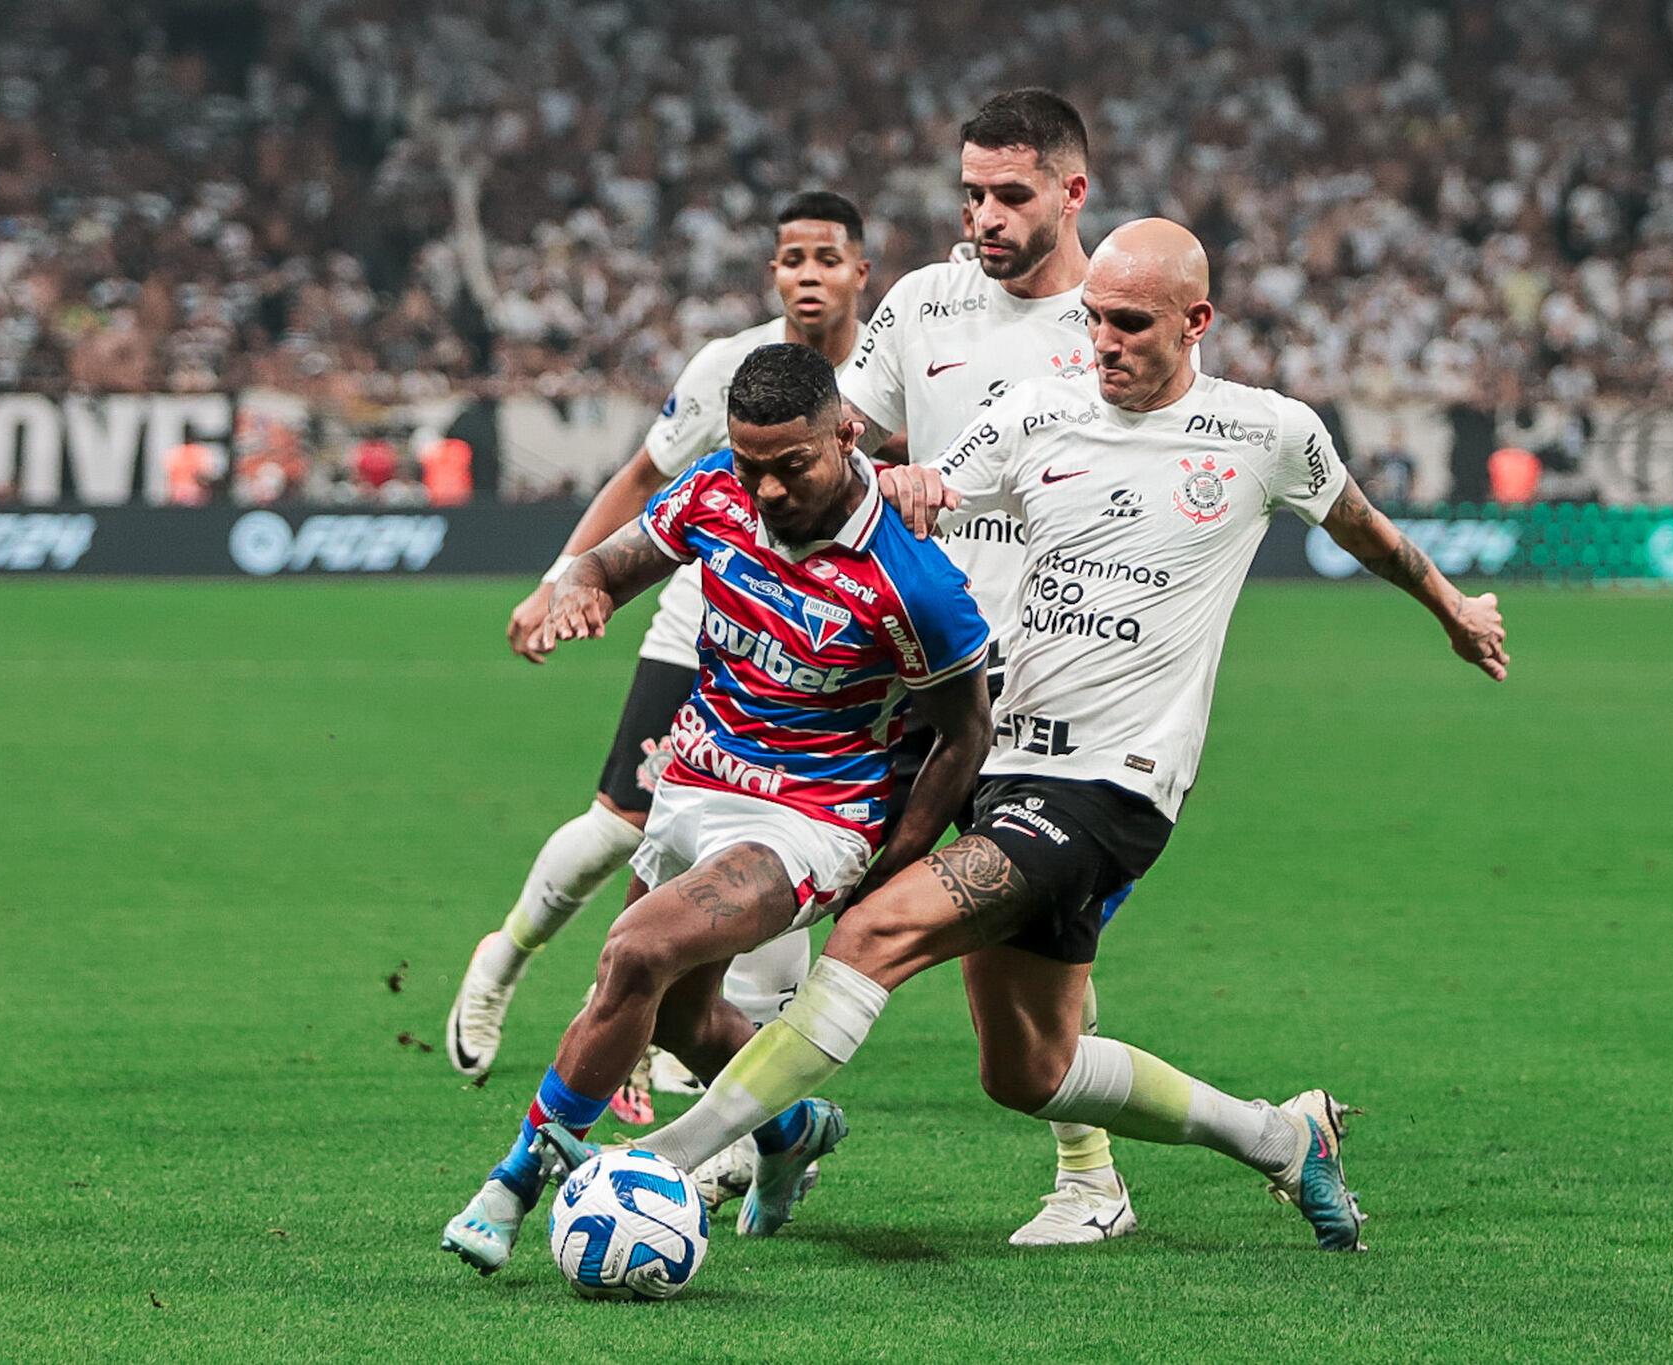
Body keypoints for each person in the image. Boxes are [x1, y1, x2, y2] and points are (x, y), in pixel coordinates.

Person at [608, 218, 1511, 1254]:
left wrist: (1451, 607)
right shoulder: (1038, 413)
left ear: (1197, 321)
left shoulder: (1265, 432)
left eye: (1131, 324)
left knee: (871, 935)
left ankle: (664, 1158)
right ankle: (1281, 1137)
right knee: (1027, 1069)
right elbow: (932, 485)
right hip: (1006, 762)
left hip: (1114, 783)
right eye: (1094, 320)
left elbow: (1362, 527)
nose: (1105, 342)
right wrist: (904, 484)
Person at [441, 342, 993, 1273]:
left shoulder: (914, 584)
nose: (767, 489)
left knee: (635, 952)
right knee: (675, 1018)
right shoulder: (713, 494)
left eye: (792, 465)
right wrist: (582, 592)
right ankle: (791, 1129)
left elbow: (965, 733)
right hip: (694, 780)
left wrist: (891, 863)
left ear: (847, 434)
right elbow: (609, 564)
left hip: (808, 819)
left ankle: (513, 1184)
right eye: (750, 464)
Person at [445, 193, 874, 1112]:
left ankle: (692, 1034)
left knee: (775, 838)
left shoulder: (893, 367)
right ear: (773, 272)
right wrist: (561, 579)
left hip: (828, 645)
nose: (808, 275)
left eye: (827, 257)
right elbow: (644, 476)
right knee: (621, 828)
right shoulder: (727, 366)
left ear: (859, 273)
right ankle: (506, 957)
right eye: (792, 258)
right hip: (705, 632)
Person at [837, 86, 1160, 1246]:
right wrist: (869, 479)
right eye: (970, 192)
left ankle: (1092, 1179)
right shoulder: (923, 303)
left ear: (1072, 193)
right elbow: (838, 437)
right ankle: (757, 1132)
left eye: (1009, 194)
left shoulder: (1120, 329)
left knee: (1022, 977)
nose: (982, 215)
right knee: (815, 872)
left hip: (1052, 691)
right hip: (917, 673)